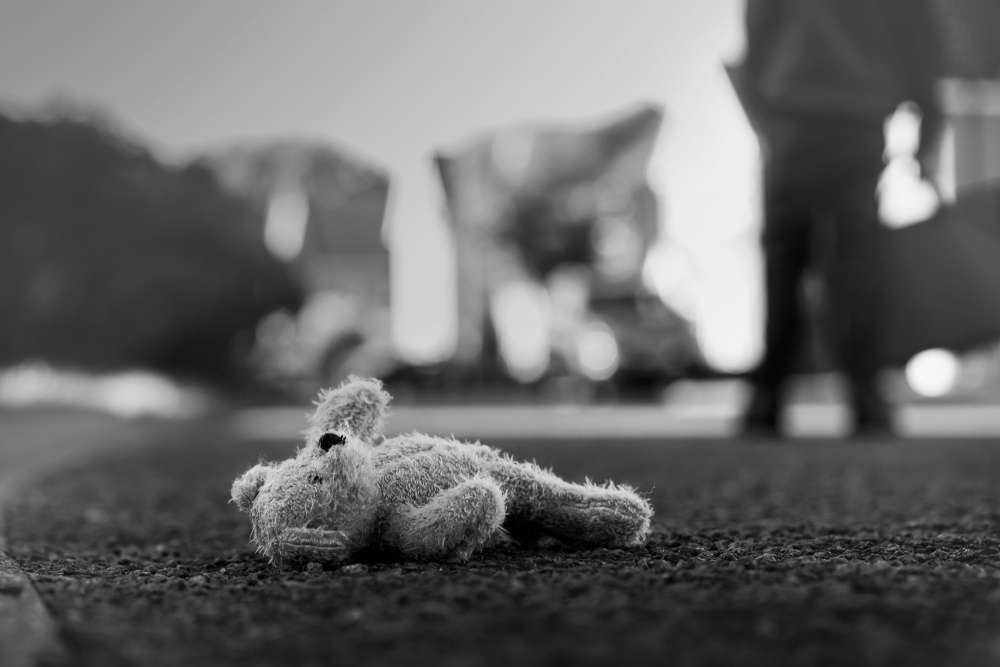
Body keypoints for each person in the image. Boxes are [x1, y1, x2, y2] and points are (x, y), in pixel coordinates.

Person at [738, 0, 946, 436]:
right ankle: (867, 396)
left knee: (783, 256)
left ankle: (767, 397)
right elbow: (919, 38)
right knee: (857, 260)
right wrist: (928, 128)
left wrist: (762, 101)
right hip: (858, 116)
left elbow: (758, 26)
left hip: (792, 112)